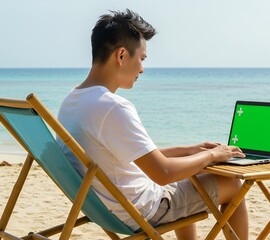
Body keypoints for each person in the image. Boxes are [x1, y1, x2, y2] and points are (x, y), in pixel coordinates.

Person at [56, 9, 249, 240]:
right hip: (142, 210)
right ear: (121, 55)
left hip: (105, 209)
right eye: (142, 58)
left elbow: (131, 157)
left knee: (185, 180)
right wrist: (214, 155)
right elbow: (163, 173)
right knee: (232, 183)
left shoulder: (73, 100)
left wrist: (188, 150)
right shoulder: (113, 107)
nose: (142, 68)